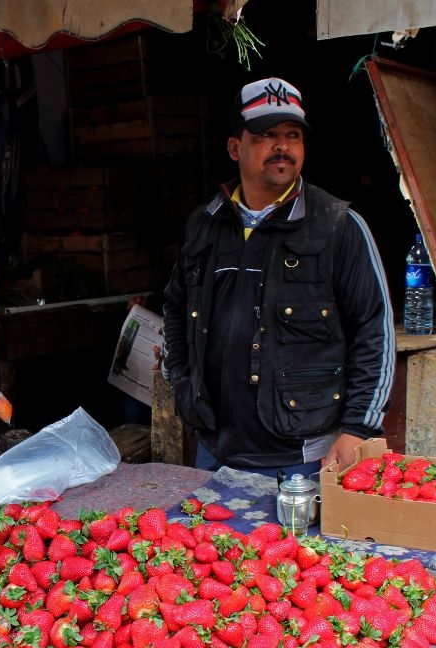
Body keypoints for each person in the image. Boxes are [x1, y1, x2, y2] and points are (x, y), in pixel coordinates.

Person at [162, 77, 395, 481]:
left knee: (293, 547)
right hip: (214, 448)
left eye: (292, 135)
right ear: (236, 148)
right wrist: (184, 385)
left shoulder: (338, 226)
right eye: (267, 135)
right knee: (213, 544)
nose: (282, 147)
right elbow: (175, 309)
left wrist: (359, 428)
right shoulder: (205, 224)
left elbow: (375, 330)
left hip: (301, 455)